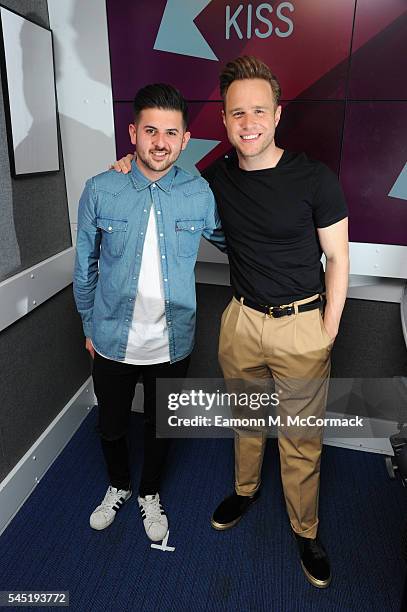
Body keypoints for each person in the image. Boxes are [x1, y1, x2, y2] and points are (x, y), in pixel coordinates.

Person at [112, 56, 349, 588]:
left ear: (277, 114)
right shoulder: (214, 177)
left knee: (300, 438)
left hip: (301, 325)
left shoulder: (315, 179)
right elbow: (161, 177)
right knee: (246, 422)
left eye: (259, 111)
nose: (248, 123)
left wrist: (327, 330)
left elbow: (338, 259)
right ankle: (245, 491)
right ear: (223, 119)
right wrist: (128, 164)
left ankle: (305, 528)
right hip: (240, 322)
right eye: (237, 113)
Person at [73, 83, 225, 541]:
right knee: (112, 426)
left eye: (171, 133)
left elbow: (235, 243)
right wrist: (88, 325)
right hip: (112, 338)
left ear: (184, 138)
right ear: (133, 132)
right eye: (151, 131)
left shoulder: (199, 192)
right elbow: (84, 267)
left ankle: (149, 492)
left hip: (173, 342)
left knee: (161, 427)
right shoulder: (101, 189)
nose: (160, 142)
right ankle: (118, 485)